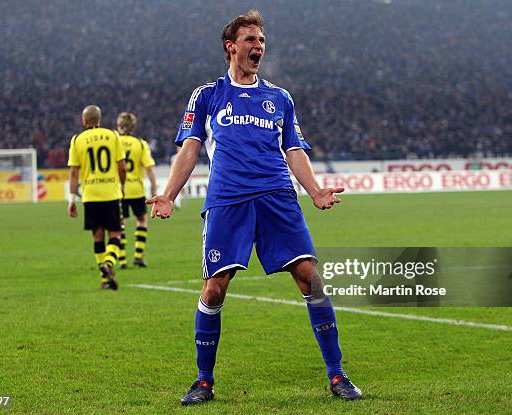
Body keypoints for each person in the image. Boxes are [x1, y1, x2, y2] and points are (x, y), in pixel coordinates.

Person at [148, 10, 361, 405]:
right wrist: (169, 194)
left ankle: (337, 375)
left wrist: (313, 190)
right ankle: (204, 381)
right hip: (228, 200)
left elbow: (293, 149)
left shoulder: (279, 98)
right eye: (249, 40)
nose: (257, 46)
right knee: (214, 290)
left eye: (261, 41)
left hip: (277, 196)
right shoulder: (207, 95)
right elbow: (189, 150)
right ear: (231, 47)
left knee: (310, 279)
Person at [68, 105, 126, 290]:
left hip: (90, 195)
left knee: (98, 236)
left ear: (84, 120)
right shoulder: (113, 135)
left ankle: (104, 278)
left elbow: (73, 173)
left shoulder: (77, 140)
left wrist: (71, 199)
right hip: (110, 192)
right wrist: (122, 186)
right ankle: (109, 264)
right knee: (116, 234)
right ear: (99, 119)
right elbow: (122, 166)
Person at [116, 112, 157, 268]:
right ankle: (139, 256)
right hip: (137, 189)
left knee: (121, 223)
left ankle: (122, 260)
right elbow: (149, 169)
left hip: (120, 189)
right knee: (141, 220)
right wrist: (153, 189)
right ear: (133, 127)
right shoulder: (140, 144)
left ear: (119, 126)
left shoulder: (114, 141)